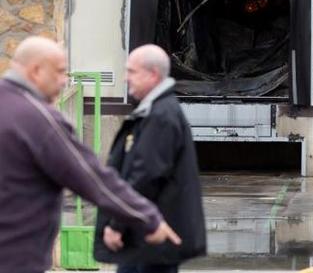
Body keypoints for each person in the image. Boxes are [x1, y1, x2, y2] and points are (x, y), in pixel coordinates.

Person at [0, 37, 180, 273]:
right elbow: (91, 177)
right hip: (15, 259)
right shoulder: (37, 118)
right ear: (36, 71)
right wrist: (147, 218)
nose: (65, 81)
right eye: (61, 72)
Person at [94, 44, 206, 273]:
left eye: (132, 72)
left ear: (153, 74)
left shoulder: (161, 116)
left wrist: (117, 224)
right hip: (145, 239)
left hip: (151, 241)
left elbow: (144, 176)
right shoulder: (154, 111)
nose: (126, 78)